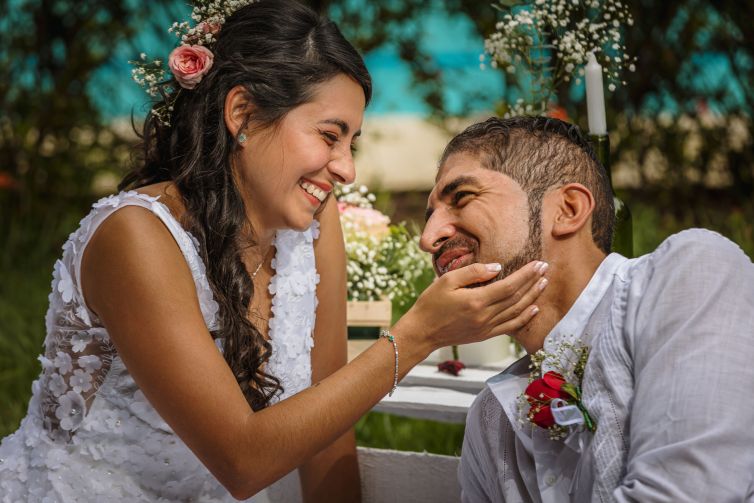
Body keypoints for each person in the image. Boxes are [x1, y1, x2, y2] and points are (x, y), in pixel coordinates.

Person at [0, 2, 550, 502]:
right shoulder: (135, 238)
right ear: (242, 114)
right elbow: (240, 460)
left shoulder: (311, 225)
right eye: (329, 135)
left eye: (351, 142)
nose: (346, 168)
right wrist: (419, 334)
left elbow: (328, 430)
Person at [419, 115, 754, 502]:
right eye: (429, 218)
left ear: (568, 209)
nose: (429, 238)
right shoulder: (493, 416)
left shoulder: (691, 275)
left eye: (461, 198)